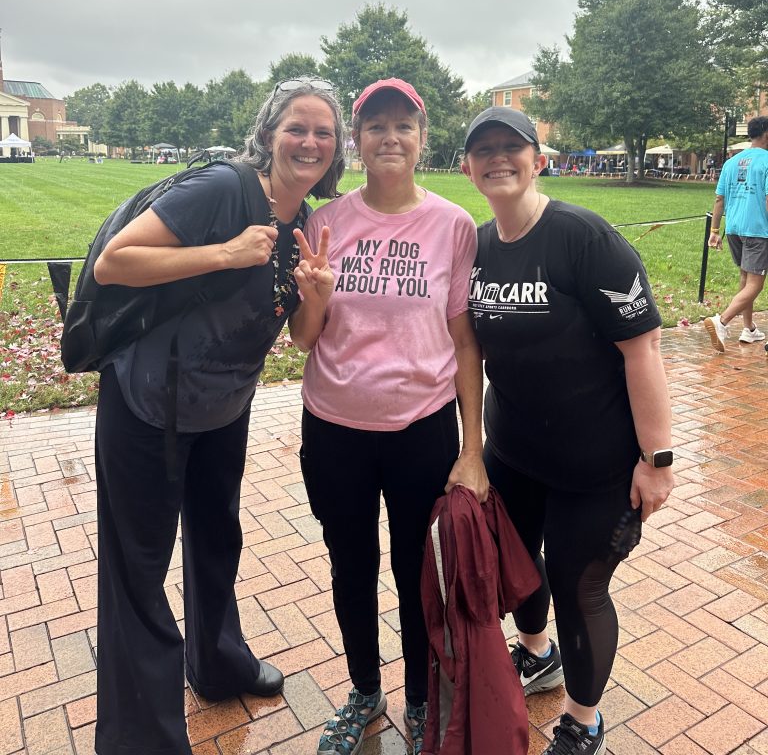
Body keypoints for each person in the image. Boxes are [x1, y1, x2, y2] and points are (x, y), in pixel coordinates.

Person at [91, 79, 345, 755]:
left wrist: (314, 296)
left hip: (224, 405)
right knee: (138, 569)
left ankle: (218, 661)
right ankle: (139, 739)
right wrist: (226, 253)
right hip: (148, 405)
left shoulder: (305, 225)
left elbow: (299, 337)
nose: (310, 141)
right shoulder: (221, 190)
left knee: (215, 539)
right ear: (269, 133)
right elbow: (115, 264)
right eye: (298, 126)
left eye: (324, 132)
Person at [461, 107, 675, 755]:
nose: (499, 158)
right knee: (517, 566)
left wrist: (657, 459)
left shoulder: (583, 238)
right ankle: (535, 653)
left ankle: (583, 721)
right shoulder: (473, 246)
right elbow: (464, 348)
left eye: (512, 147)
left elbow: (644, 349)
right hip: (514, 452)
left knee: (578, 588)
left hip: (596, 464)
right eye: (484, 150)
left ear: (539, 158)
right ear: (468, 167)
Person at [289, 78, 488, 755]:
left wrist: (472, 447)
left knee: (417, 572)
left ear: (422, 138)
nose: (390, 138)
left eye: (404, 126)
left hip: (422, 431)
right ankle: (365, 689)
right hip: (335, 427)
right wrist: (313, 297)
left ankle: (423, 698)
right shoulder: (327, 221)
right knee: (350, 564)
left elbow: (465, 342)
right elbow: (304, 338)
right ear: (357, 141)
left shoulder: (452, 225)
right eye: (375, 127)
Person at [703, 115, 768, 351]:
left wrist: (715, 230)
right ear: (766, 133)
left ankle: (749, 329)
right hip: (759, 230)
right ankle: (721, 322)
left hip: (735, 229)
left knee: (745, 277)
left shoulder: (731, 163)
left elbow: (719, 198)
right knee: (756, 284)